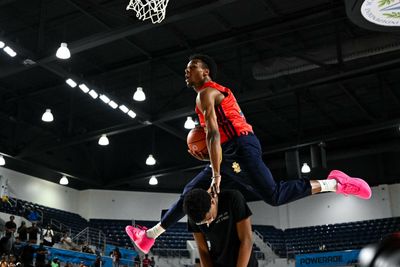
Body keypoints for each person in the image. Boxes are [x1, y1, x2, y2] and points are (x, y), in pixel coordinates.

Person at [125, 54, 372, 254]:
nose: (186, 71)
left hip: (240, 147)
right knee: (191, 193)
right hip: (231, 150)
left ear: (206, 71)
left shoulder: (206, 93)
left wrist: (215, 174)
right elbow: (214, 136)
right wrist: (212, 163)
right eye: (186, 69)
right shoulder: (206, 96)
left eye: (192, 67)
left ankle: (336, 183)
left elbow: (212, 134)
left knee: (273, 195)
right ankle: (149, 237)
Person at [184, 189, 257, 267]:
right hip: (218, 263)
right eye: (203, 223)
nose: (208, 224)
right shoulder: (194, 216)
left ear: (212, 202)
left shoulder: (233, 199)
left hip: (244, 263)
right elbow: (203, 250)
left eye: (209, 219)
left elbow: (246, 240)